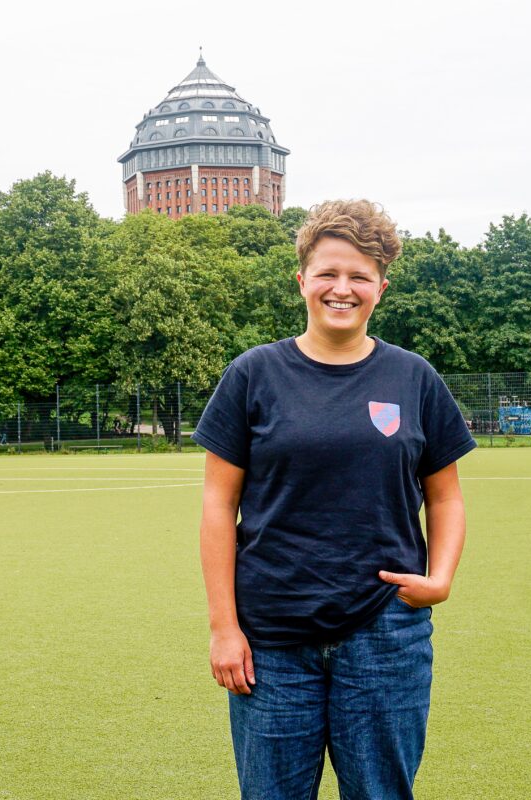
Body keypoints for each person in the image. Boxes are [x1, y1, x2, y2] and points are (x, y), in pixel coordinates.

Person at [193, 199, 475, 800]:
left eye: (359, 276)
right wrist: (224, 628)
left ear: (381, 287)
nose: (341, 288)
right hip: (270, 640)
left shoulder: (413, 377)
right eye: (327, 273)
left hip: (385, 632)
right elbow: (218, 506)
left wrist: (440, 578)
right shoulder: (253, 375)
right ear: (301, 280)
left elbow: (445, 497)